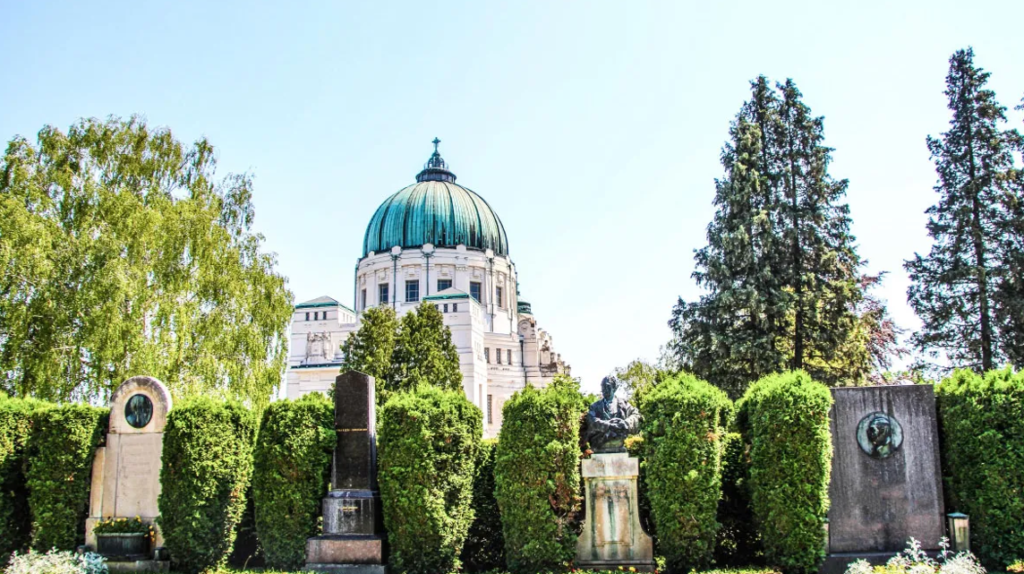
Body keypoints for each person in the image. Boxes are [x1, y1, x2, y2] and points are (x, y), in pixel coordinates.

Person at [584, 376, 640, 453]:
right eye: (603, 386)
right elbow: (591, 420)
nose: (604, 390)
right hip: (599, 445)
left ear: (614, 388)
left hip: (619, 443)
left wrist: (625, 423)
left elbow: (636, 415)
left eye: (608, 386)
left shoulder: (624, 404)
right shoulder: (595, 406)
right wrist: (608, 425)